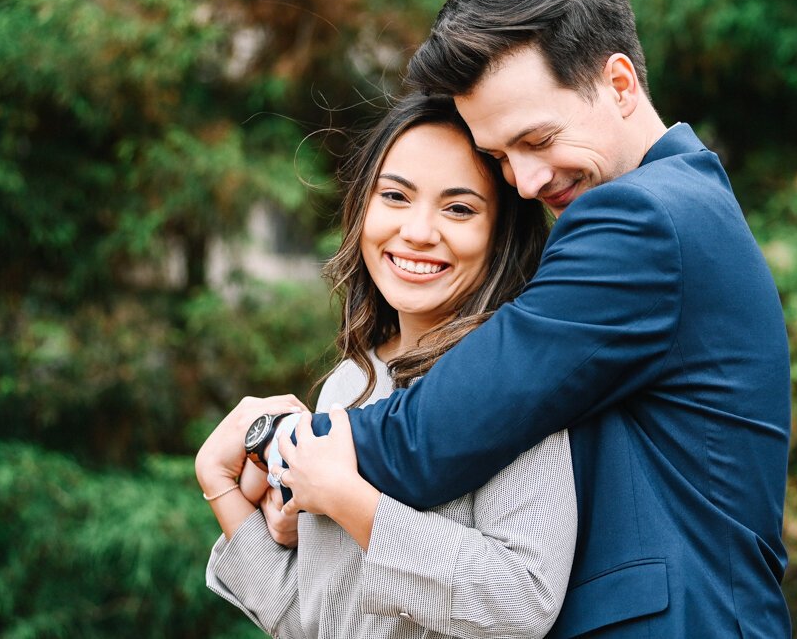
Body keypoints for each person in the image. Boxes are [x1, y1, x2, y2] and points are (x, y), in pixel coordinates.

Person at [291, 0, 793, 638]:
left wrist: (291, 446)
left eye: (537, 139)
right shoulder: (686, 207)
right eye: (500, 157)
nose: (525, 182)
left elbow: (435, 435)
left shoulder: (642, 219)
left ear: (619, 83)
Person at [193, 94, 574, 639]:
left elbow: (523, 600)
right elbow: (318, 621)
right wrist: (220, 484)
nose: (418, 231)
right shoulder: (351, 382)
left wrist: (348, 500)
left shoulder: (511, 378)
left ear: (501, 234)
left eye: (458, 208)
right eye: (395, 196)